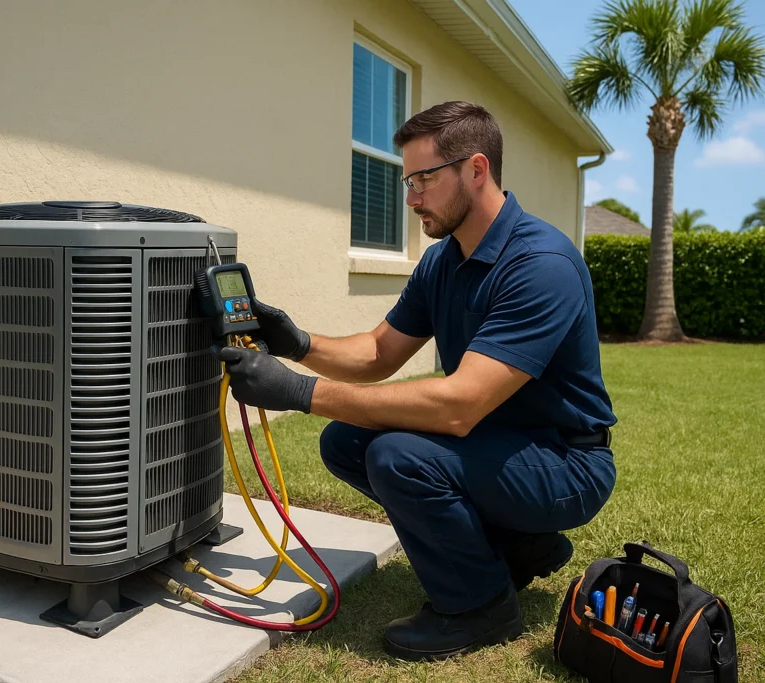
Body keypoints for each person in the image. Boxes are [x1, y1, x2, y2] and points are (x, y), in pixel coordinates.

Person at [214, 100, 617, 661]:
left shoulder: (539, 263)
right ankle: (517, 547)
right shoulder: (443, 260)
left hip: (565, 463)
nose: (409, 198)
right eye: (408, 180)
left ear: (476, 170)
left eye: (423, 179)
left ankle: (479, 607)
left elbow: (459, 405)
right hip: (495, 446)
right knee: (346, 441)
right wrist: (297, 343)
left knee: (400, 456)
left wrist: (297, 393)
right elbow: (379, 351)